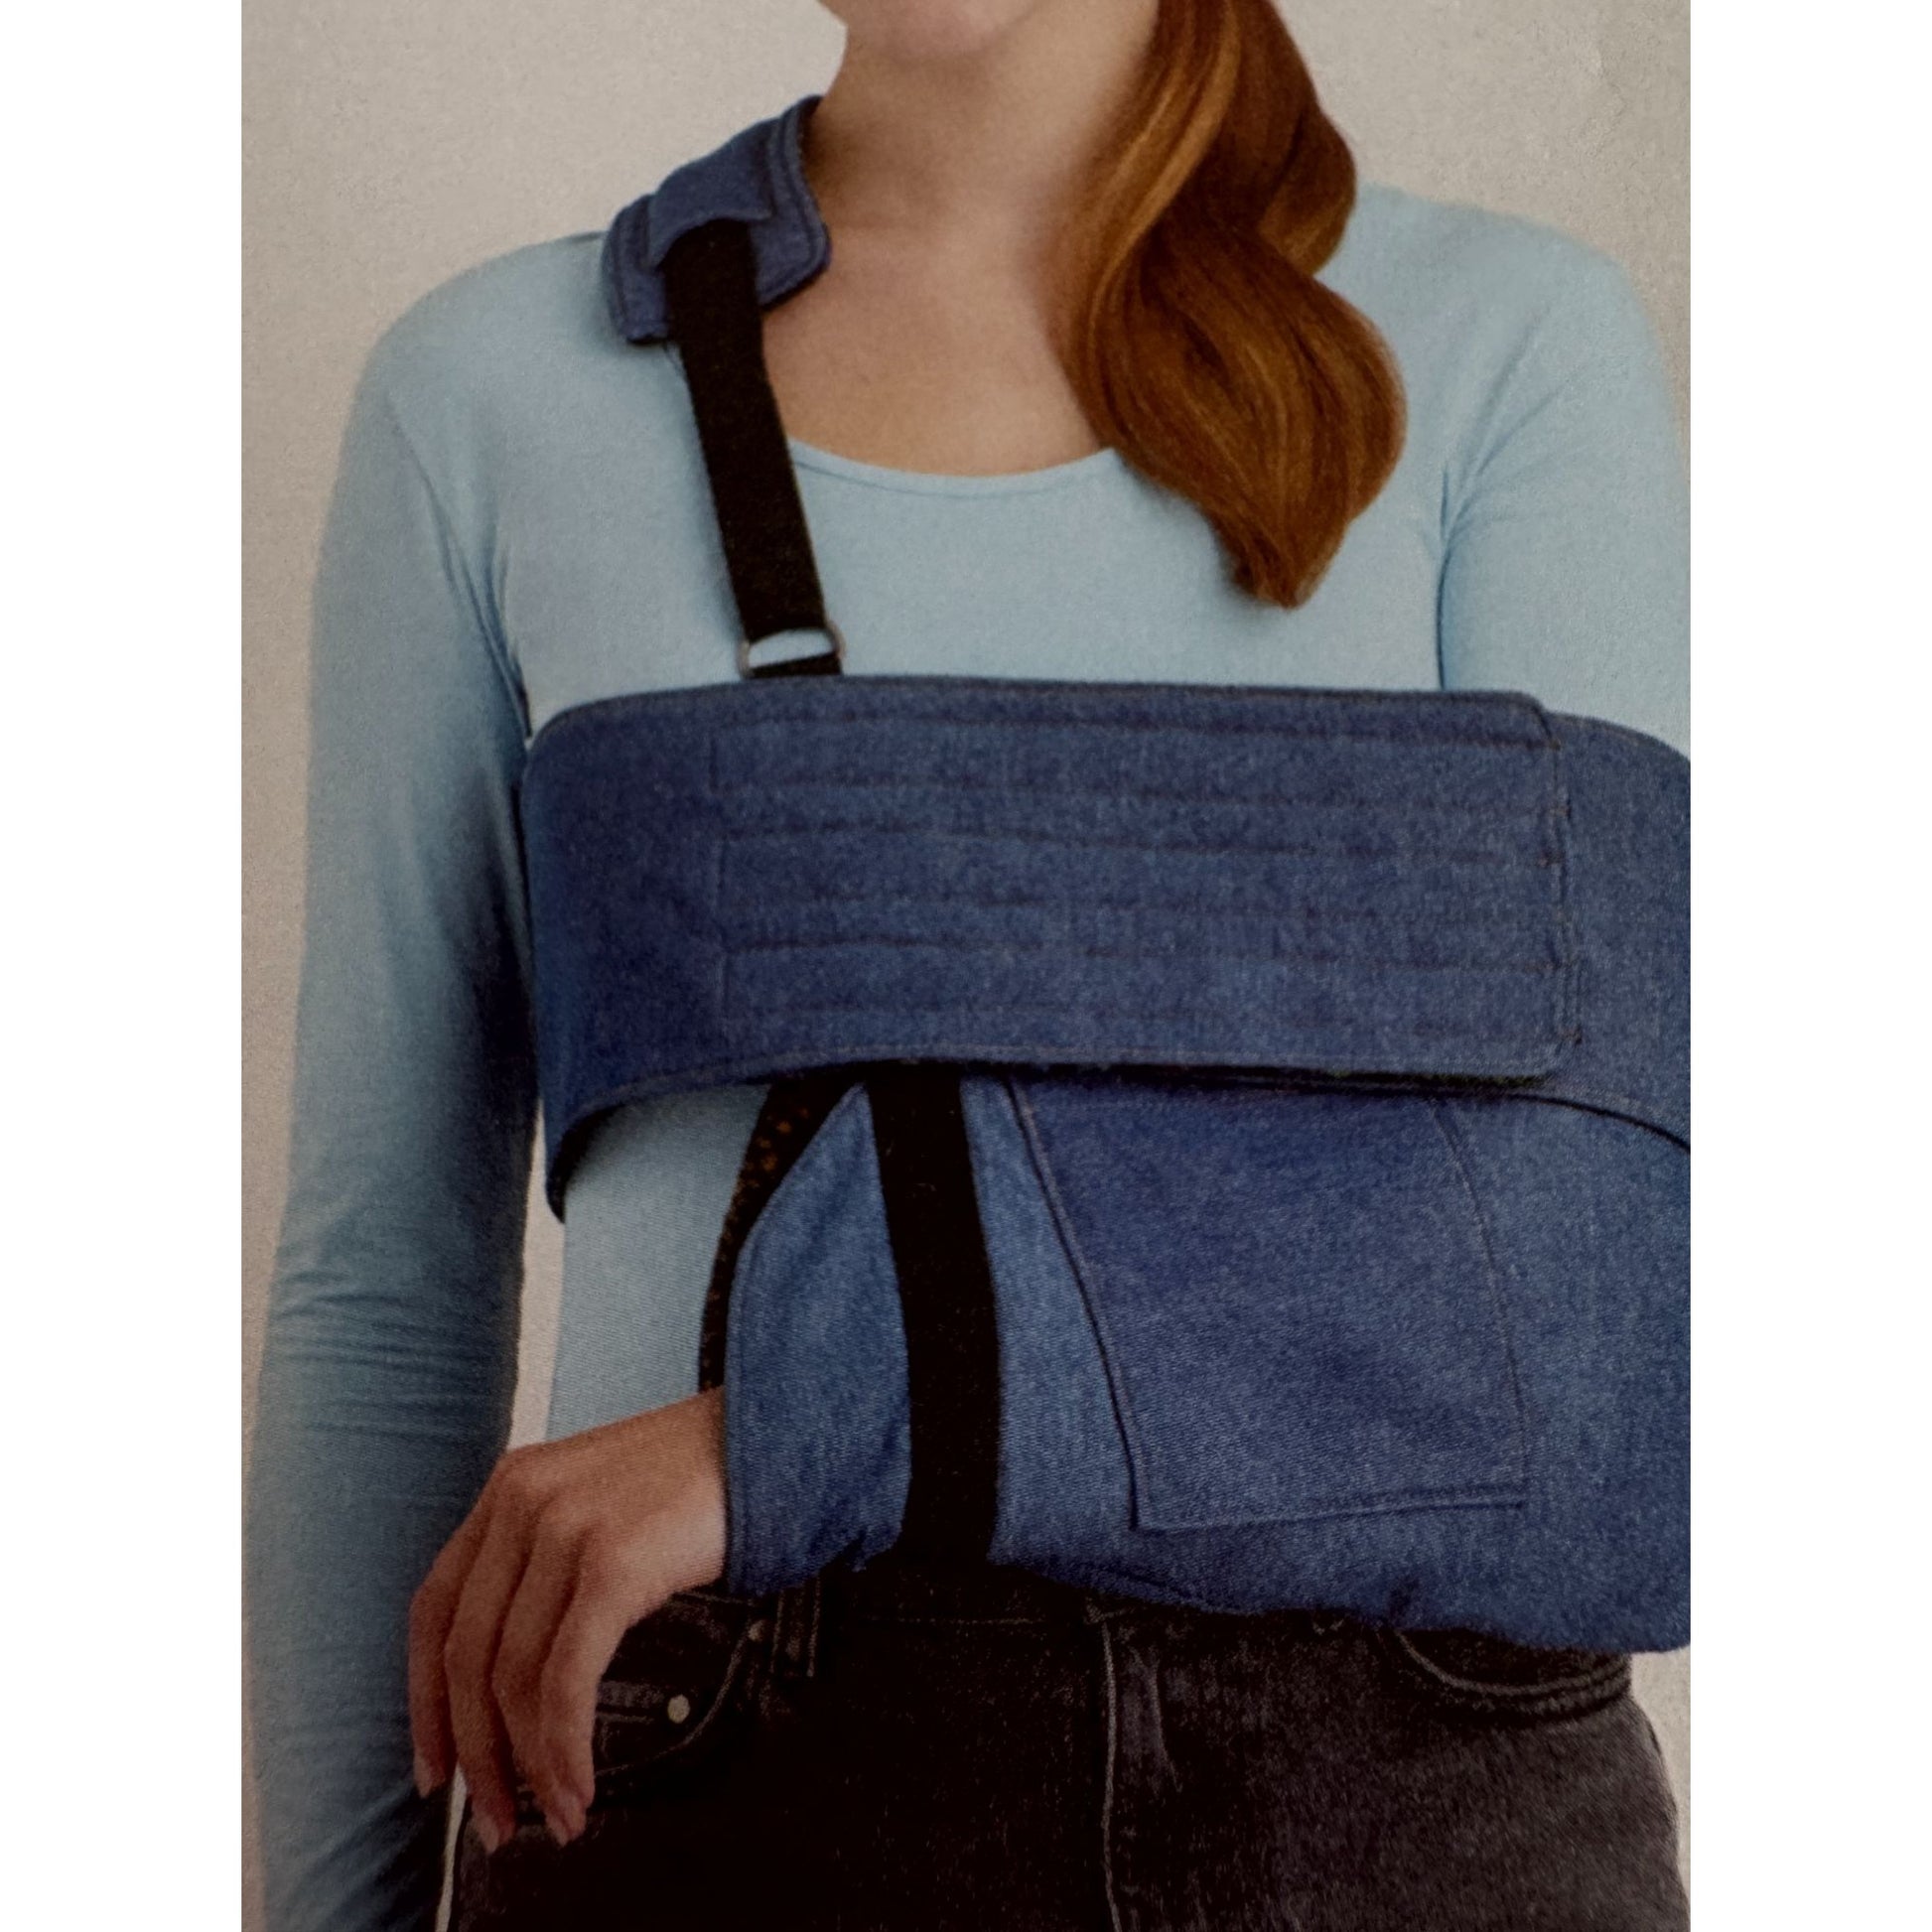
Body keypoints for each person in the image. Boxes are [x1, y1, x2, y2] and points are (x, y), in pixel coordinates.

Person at [246, 2, 1691, 1927]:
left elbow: (1610, 1287)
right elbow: (387, 1285)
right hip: (722, 1791)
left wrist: (814, 1433)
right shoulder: (499, 388)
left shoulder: (1502, 348)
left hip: (1401, 1777)